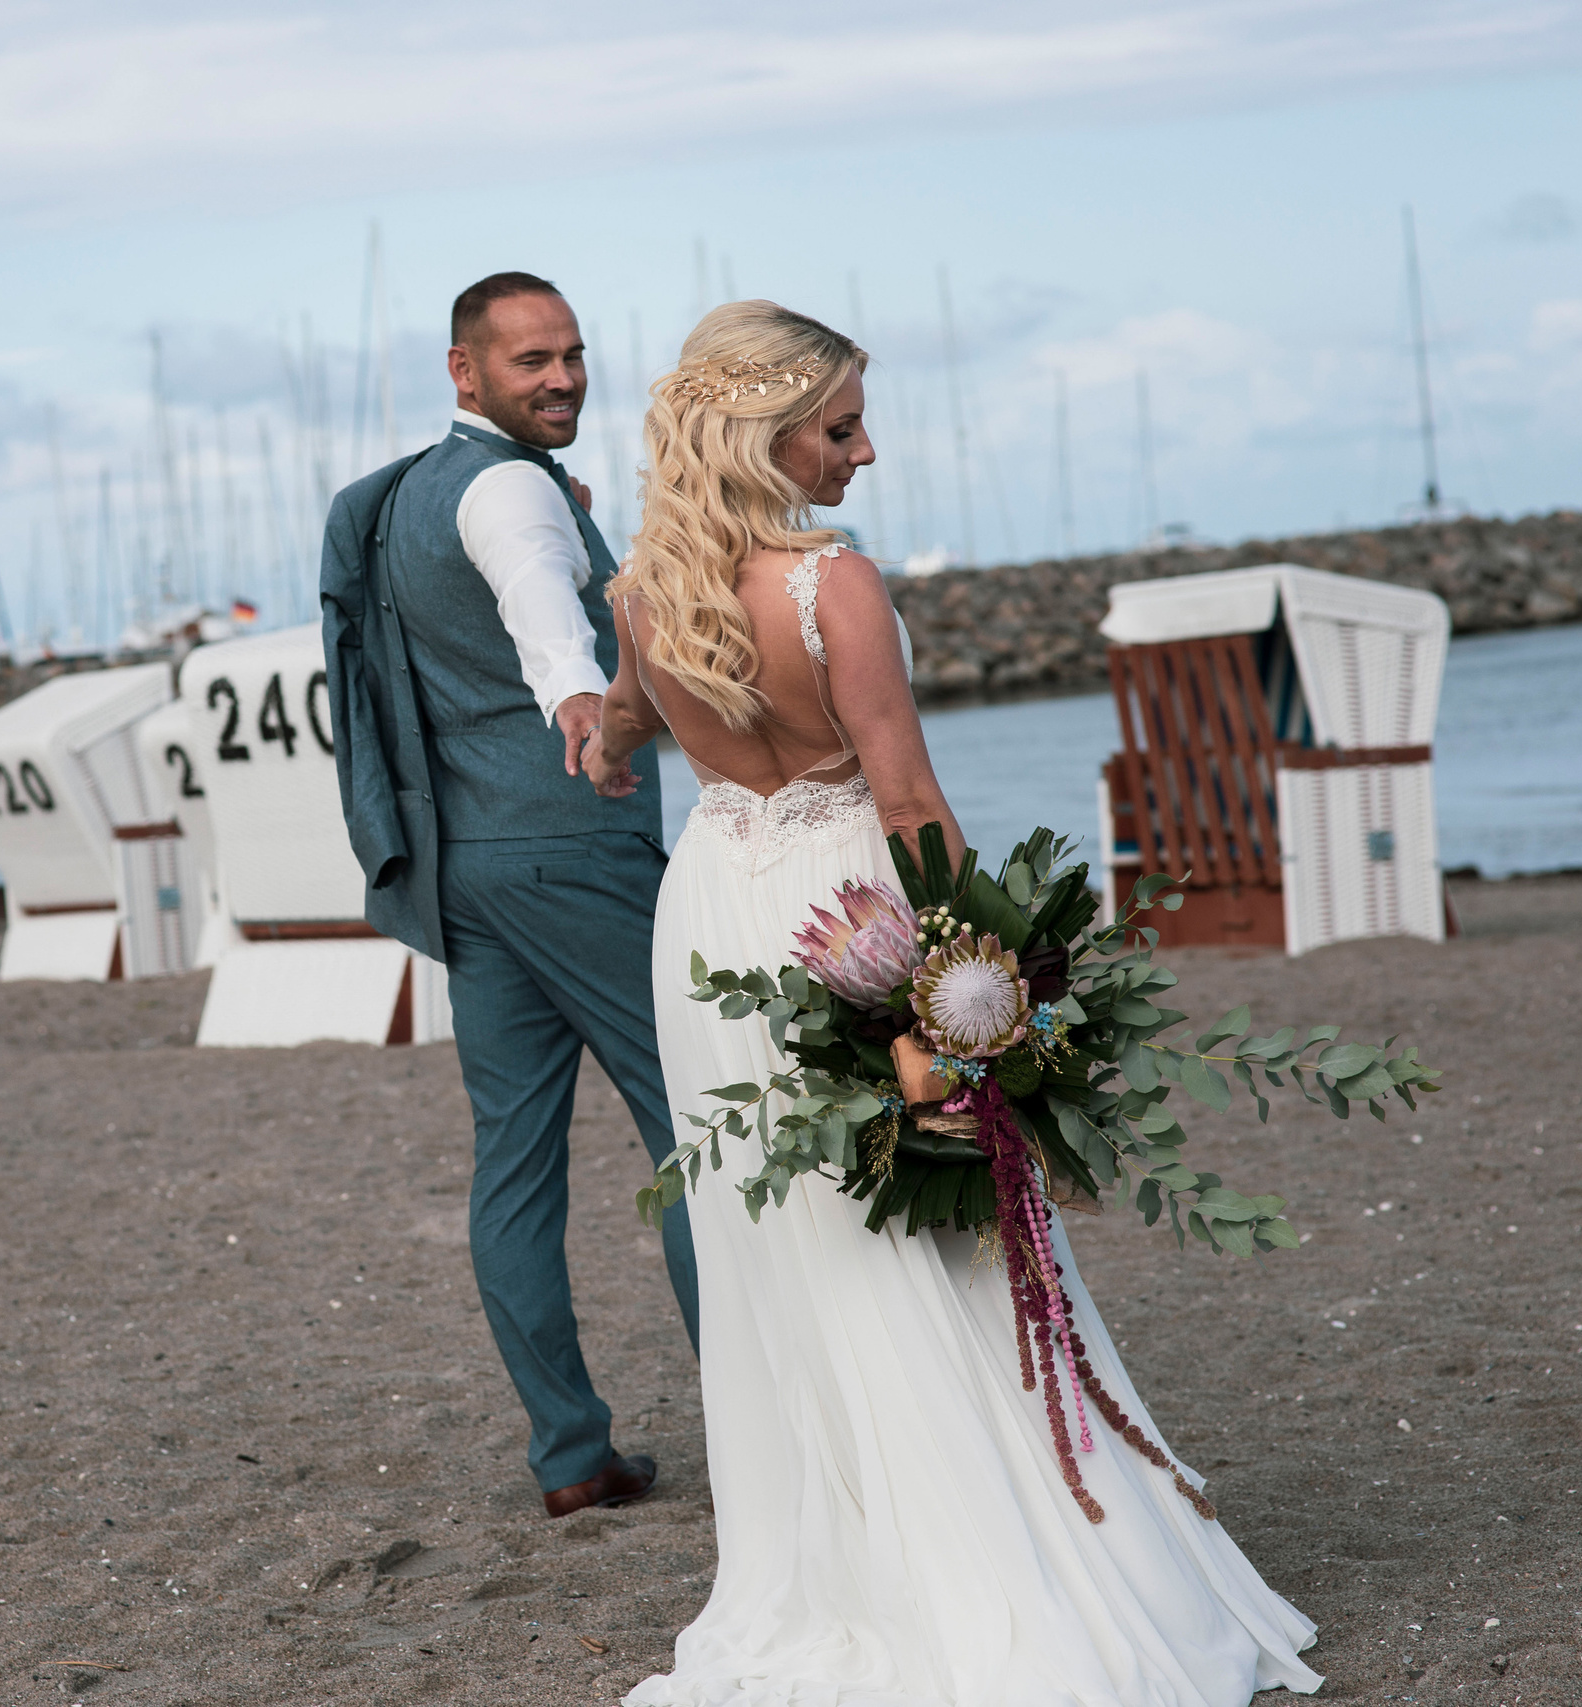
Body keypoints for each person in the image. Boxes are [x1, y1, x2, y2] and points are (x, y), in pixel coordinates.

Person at [581, 300, 1324, 1704]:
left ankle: (843, 1560)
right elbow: (909, 795)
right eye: (841, 423)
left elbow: (626, 714)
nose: (867, 449)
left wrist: (601, 734)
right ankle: (995, 1563)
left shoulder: (642, 588)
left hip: (719, 919)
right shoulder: (833, 586)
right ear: (767, 429)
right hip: (848, 908)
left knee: (783, 1240)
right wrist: (983, 979)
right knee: (938, 1222)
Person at [320, 270, 699, 1520]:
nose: (561, 378)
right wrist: (581, 703)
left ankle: (568, 1455)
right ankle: (762, 1420)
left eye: (574, 354)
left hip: (464, 870)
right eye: (531, 359)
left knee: (515, 1166)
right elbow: (545, 615)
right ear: (462, 370)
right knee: (697, 1126)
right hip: (569, 850)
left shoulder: (410, 500)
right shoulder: (507, 494)